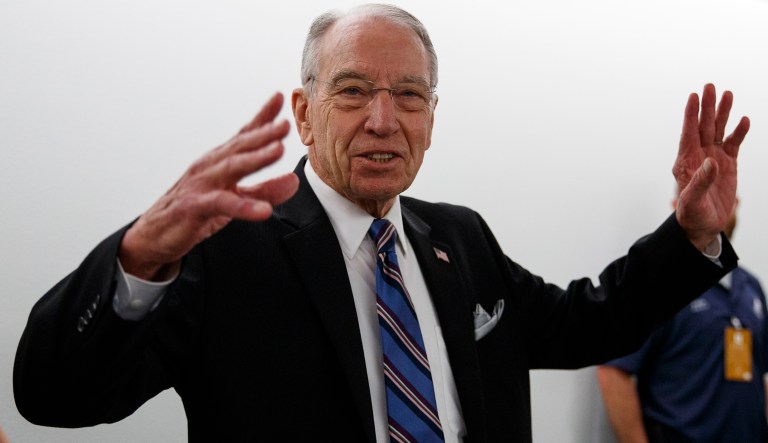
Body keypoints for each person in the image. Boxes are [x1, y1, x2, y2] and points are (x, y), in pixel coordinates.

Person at [14, 4, 750, 443]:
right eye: (354, 90)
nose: (382, 120)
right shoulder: (224, 251)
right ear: (303, 114)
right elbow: (55, 398)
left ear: (433, 117)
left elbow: (594, 321)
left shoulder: (459, 238)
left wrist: (690, 238)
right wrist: (140, 255)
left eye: (409, 95)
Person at [596, 198, 768, 443]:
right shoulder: (663, 284)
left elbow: (758, 375)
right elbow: (613, 371)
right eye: (706, 195)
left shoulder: (751, 286)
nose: (716, 206)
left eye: (725, 195)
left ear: (737, 203)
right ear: (679, 204)